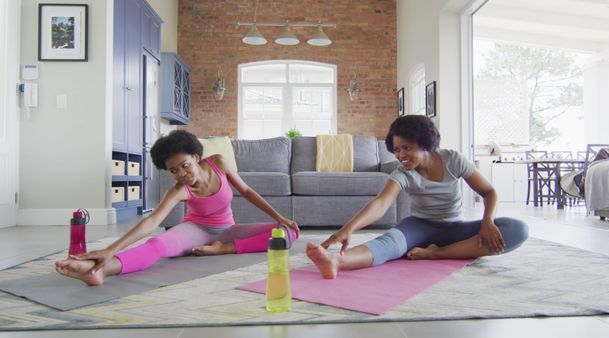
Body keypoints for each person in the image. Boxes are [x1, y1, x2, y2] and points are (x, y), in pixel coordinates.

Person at [56, 130, 299, 286]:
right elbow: (151, 223)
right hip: (195, 230)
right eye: (174, 170)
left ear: (196, 157)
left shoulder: (219, 163)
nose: (181, 174)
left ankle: (222, 249)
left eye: (185, 165)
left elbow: (246, 191)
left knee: (288, 233)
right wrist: (110, 249)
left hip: (227, 231)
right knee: (157, 245)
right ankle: (99, 271)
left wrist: (280, 217)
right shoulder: (178, 190)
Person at [306, 115, 528, 279]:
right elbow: (381, 203)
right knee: (388, 242)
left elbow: (489, 191)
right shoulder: (402, 173)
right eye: (396, 150)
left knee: (516, 229)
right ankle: (336, 262)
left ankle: (435, 254)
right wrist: (348, 229)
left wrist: (487, 222)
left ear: (426, 145)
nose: (400, 155)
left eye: (407, 148)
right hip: (419, 227)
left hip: (455, 229)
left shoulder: (453, 160)